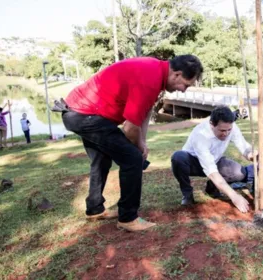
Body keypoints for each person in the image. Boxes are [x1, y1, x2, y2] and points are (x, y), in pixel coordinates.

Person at [60, 55, 203, 232]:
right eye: (185, 85)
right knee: (132, 159)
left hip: (80, 111)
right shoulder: (149, 79)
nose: (183, 91)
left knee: (102, 159)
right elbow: (129, 128)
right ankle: (128, 218)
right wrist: (138, 149)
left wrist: (142, 142)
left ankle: (94, 208)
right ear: (177, 74)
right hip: (84, 114)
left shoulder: (156, 72)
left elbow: (145, 112)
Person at [171, 106, 254, 213]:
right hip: (194, 163)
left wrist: (251, 154)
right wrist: (234, 196)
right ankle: (187, 194)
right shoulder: (200, 135)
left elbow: (243, 146)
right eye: (222, 130)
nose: (226, 133)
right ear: (211, 124)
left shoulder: (231, 126)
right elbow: (211, 171)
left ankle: (212, 187)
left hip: (216, 160)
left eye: (229, 130)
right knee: (178, 157)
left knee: (239, 173)